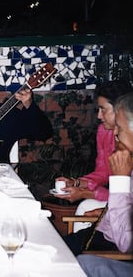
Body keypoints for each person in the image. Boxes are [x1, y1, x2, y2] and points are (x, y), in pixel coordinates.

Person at [54, 80, 133, 232]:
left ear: (120, 109)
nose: (98, 116)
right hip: (117, 201)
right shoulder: (104, 132)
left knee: (86, 206)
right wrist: (76, 183)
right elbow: (103, 172)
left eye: (103, 109)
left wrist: (86, 193)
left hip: (122, 205)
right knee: (86, 207)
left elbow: (125, 196)